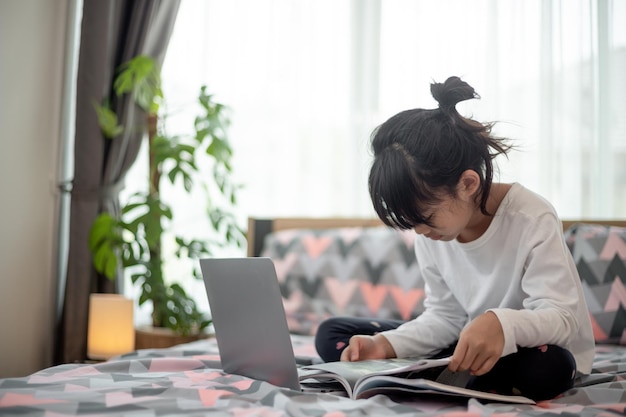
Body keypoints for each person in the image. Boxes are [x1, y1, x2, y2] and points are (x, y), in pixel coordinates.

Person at [314, 76, 595, 401]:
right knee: (332, 334)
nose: (420, 232)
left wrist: (500, 324)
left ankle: (431, 371)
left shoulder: (531, 218)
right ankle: (443, 371)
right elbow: (445, 317)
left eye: (425, 219)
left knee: (550, 367)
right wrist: (384, 345)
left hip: (533, 347)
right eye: (411, 223)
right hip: (463, 341)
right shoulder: (431, 233)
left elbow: (562, 318)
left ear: (468, 184)